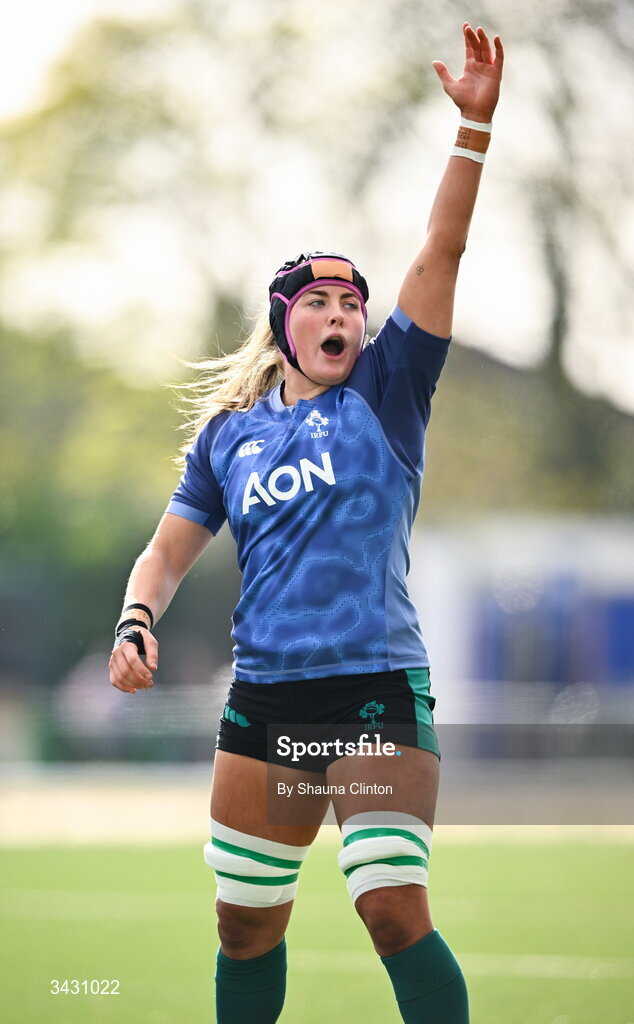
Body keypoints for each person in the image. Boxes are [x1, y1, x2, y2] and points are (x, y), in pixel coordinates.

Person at [109, 22, 503, 1024]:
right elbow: (164, 553)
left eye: (352, 302)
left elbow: (441, 248)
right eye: (320, 301)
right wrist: (136, 617)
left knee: (387, 905)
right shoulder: (229, 435)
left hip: (373, 690)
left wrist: (472, 132)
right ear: (285, 322)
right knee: (244, 926)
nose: (342, 314)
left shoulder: (390, 387)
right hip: (265, 707)